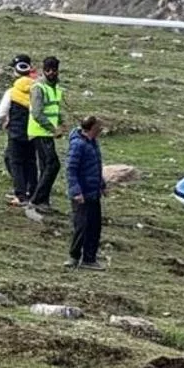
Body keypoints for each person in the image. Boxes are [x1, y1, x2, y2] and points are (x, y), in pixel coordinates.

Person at [67, 116, 106, 271]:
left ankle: (89, 259)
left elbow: (96, 166)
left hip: (93, 193)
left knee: (94, 227)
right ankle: (74, 257)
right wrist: (76, 191)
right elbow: (71, 169)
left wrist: (101, 185)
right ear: (92, 128)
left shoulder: (92, 143)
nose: (101, 130)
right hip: (82, 194)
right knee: (82, 226)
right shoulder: (78, 145)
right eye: (98, 128)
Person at [0, 54, 37, 205]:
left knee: (15, 161)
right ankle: (32, 192)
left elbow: (1, 113)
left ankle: (20, 194)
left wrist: (4, 122)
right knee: (31, 162)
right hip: (33, 132)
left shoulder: (11, 92)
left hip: (15, 132)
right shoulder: (37, 89)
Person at [28, 57, 64, 214]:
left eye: (54, 70)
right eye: (48, 70)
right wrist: (53, 129)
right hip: (40, 132)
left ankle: (43, 201)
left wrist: (60, 123)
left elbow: (55, 108)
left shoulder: (54, 87)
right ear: (43, 70)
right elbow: (37, 113)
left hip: (47, 132)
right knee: (53, 165)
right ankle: (36, 199)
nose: (51, 73)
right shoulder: (39, 87)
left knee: (45, 167)